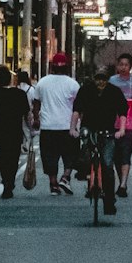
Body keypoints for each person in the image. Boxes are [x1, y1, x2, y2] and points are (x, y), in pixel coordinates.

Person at [70, 66, 127, 217]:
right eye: (98, 79)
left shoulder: (114, 92)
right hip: (89, 128)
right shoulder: (86, 90)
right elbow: (77, 109)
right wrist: (73, 128)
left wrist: (121, 130)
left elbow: (122, 112)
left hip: (108, 131)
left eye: (104, 79)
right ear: (94, 79)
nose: (100, 82)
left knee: (108, 164)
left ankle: (109, 201)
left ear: (108, 80)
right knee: (85, 157)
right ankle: (86, 174)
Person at [32, 53, 79, 195]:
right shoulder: (73, 84)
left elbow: (36, 103)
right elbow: (79, 106)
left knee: (49, 156)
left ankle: (53, 184)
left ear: (51, 66)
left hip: (48, 126)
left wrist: (36, 119)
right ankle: (65, 177)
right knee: (71, 155)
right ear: (67, 67)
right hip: (67, 126)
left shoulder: (42, 82)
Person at [108, 53, 132, 198]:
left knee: (125, 155)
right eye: (121, 64)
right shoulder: (112, 81)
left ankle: (123, 184)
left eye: (126, 65)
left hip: (130, 124)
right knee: (116, 157)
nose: (123, 67)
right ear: (117, 66)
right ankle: (121, 183)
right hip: (113, 123)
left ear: (131, 66)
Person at [0, 66, 30, 199]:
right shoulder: (20, 94)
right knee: (13, 157)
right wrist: (30, 131)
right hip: (15, 129)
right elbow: (26, 114)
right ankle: (9, 182)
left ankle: (6, 180)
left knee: (2, 157)